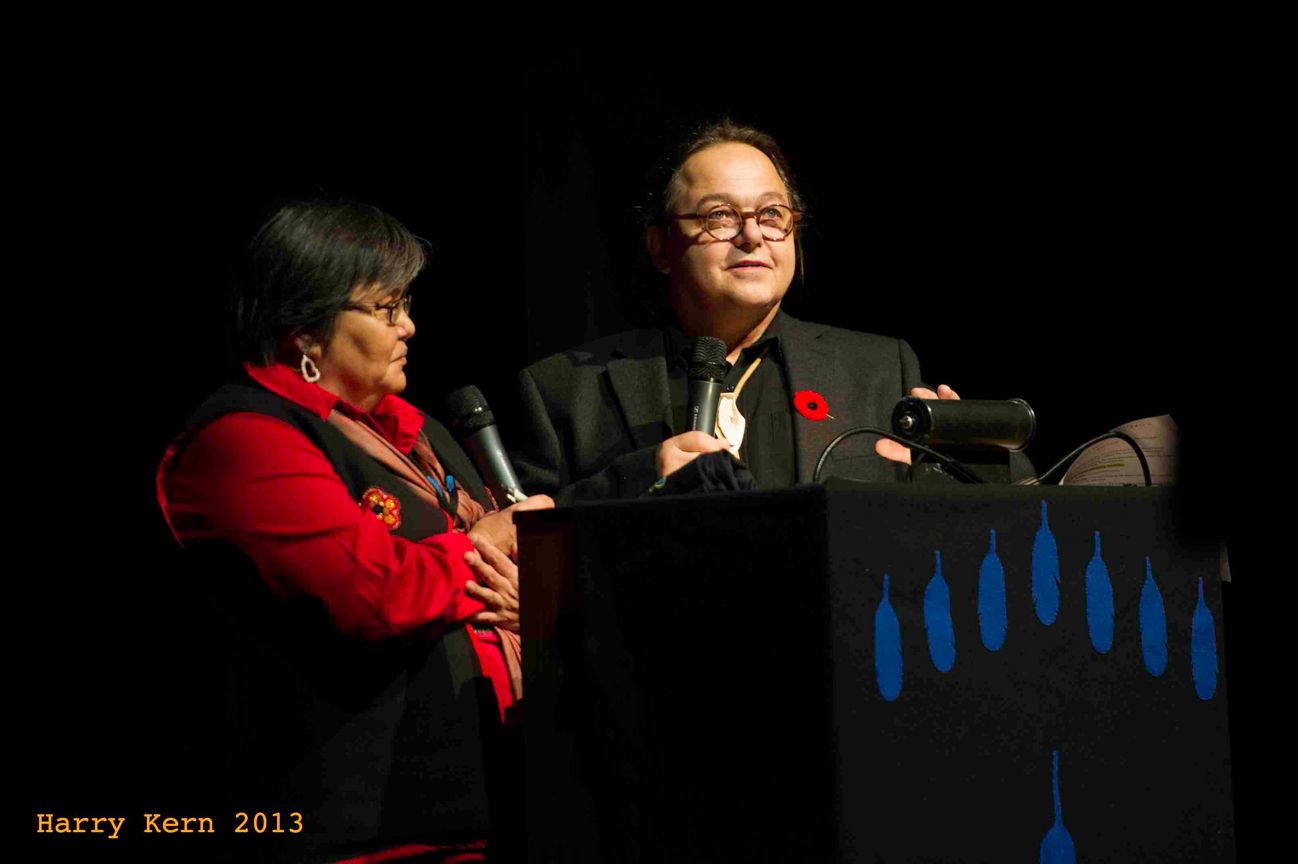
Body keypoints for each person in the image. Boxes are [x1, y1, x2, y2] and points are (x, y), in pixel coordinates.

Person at [156, 200, 549, 863]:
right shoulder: (244, 440)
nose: (409, 326)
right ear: (306, 332)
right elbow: (375, 592)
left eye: (406, 305)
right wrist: (487, 545)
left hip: (492, 808)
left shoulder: (419, 434)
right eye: (387, 309)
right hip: (349, 829)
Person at [512, 120, 1028, 503]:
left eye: (772, 214)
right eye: (719, 215)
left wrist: (971, 470)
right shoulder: (566, 389)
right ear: (661, 247)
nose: (752, 235)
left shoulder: (877, 370)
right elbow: (510, 543)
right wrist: (633, 479)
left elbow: (1020, 501)